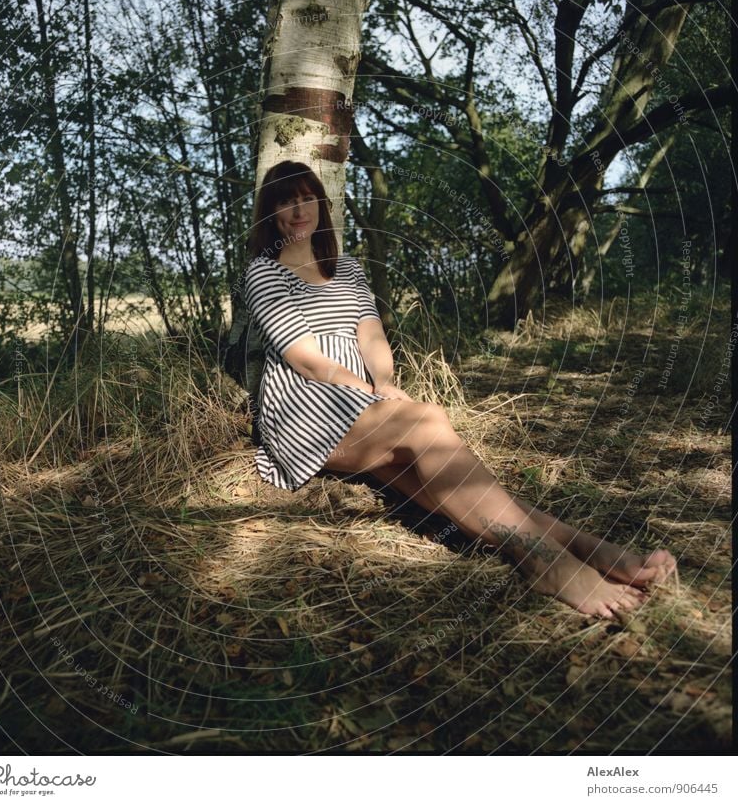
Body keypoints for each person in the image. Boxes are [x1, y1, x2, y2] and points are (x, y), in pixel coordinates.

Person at [242, 160, 676, 619]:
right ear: (270, 213)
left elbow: (370, 334)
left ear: (320, 204)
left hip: (364, 404)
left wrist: (385, 383)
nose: (297, 210)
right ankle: (549, 564)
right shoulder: (263, 272)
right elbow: (304, 357)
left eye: (305, 197)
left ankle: (590, 549)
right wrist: (370, 393)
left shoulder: (346, 268)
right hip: (308, 411)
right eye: (285, 201)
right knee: (430, 422)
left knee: (455, 485)